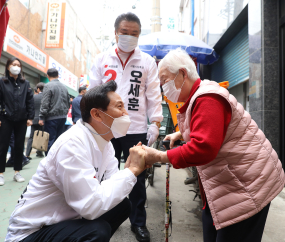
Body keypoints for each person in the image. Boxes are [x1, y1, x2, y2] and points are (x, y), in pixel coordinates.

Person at [141, 48, 285, 242]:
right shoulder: (200, 93)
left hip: (247, 186)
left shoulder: (207, 98)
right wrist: (180, 133)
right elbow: (208, 128)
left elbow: (204, 148)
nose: (162, 86)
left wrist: (158, 156)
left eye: (164, 80)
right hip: (229, 184)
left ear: (183, 73)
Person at [5, 81, 147, 242]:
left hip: (64, 219)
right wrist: (132, 171)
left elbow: (112, 184)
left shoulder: (105, 144)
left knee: (122, 206)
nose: (125, 113)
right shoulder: (72, 144)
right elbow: (90, 206)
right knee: (97, 231)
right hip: (32, 232)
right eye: (120, 107)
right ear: (97, 114)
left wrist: (129, 169)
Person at [89, 12, 163, 242]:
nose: (129, 37)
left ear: (139, 35)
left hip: (136, 127)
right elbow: (92, 93)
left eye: (134, 34)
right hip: (106, 128)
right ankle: (102, 218)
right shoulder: (102, 59)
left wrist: (156, 123)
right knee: (101, 173)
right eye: (125, 33)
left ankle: (138, 222)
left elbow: (153, 95)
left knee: (137, 177)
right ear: (116, 33)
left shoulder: (147, 62)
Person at [0, 57, 34, 186]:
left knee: (19, 146)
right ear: (8, 66)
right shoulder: (2, 82)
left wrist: (30, 117)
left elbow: (29, 101)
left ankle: (17, 172)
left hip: (21, 119)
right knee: (2, 146)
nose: (16, 67)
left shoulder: (25, 83)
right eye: (13, 64)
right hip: (5, 118)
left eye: (18, 65)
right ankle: (1, 173)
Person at [39, 68, 70, 155]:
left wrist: (41, 117)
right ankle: (57, 162)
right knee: (59, 141)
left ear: (48, 76)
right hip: (63, 117)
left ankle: (49, 163)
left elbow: (45, 102)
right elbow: (68, 102)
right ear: (58, 75)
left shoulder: (48, 85)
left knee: (49, 141)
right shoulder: (64, 87)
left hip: (51, 118)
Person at [26, 82, 45, 159]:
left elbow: (30, 107)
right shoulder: (46, 97)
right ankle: (39, 152)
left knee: (31, 137)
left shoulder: (34, 97)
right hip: (42, 119)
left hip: (34, 119)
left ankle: (27, 154)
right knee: (42, 135)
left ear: (38, 89)